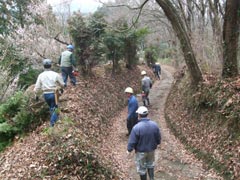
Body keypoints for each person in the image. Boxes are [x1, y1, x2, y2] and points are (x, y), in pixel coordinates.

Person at [127, 106, 161, 180]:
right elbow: (158, 137)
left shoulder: (136, 127)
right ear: (147, 114)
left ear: (139, 115)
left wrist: (129, 149)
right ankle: (152, 178)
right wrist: (157, 143)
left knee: (142, 168)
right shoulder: (154, 125)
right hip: (151, 150)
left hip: (141, 152)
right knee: (150, 164)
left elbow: (132, 141)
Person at [34, 59, 65, 127]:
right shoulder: (55, 74)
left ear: (43, 66)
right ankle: (52, 124)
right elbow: (62, 84)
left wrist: (36, 95)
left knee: (51, 107)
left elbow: (37, 87)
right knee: (55, 108)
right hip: (54, 93)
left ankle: (55, 121)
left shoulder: (41, 75)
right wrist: (62, 88)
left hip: (46, 95)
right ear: (50, 66)